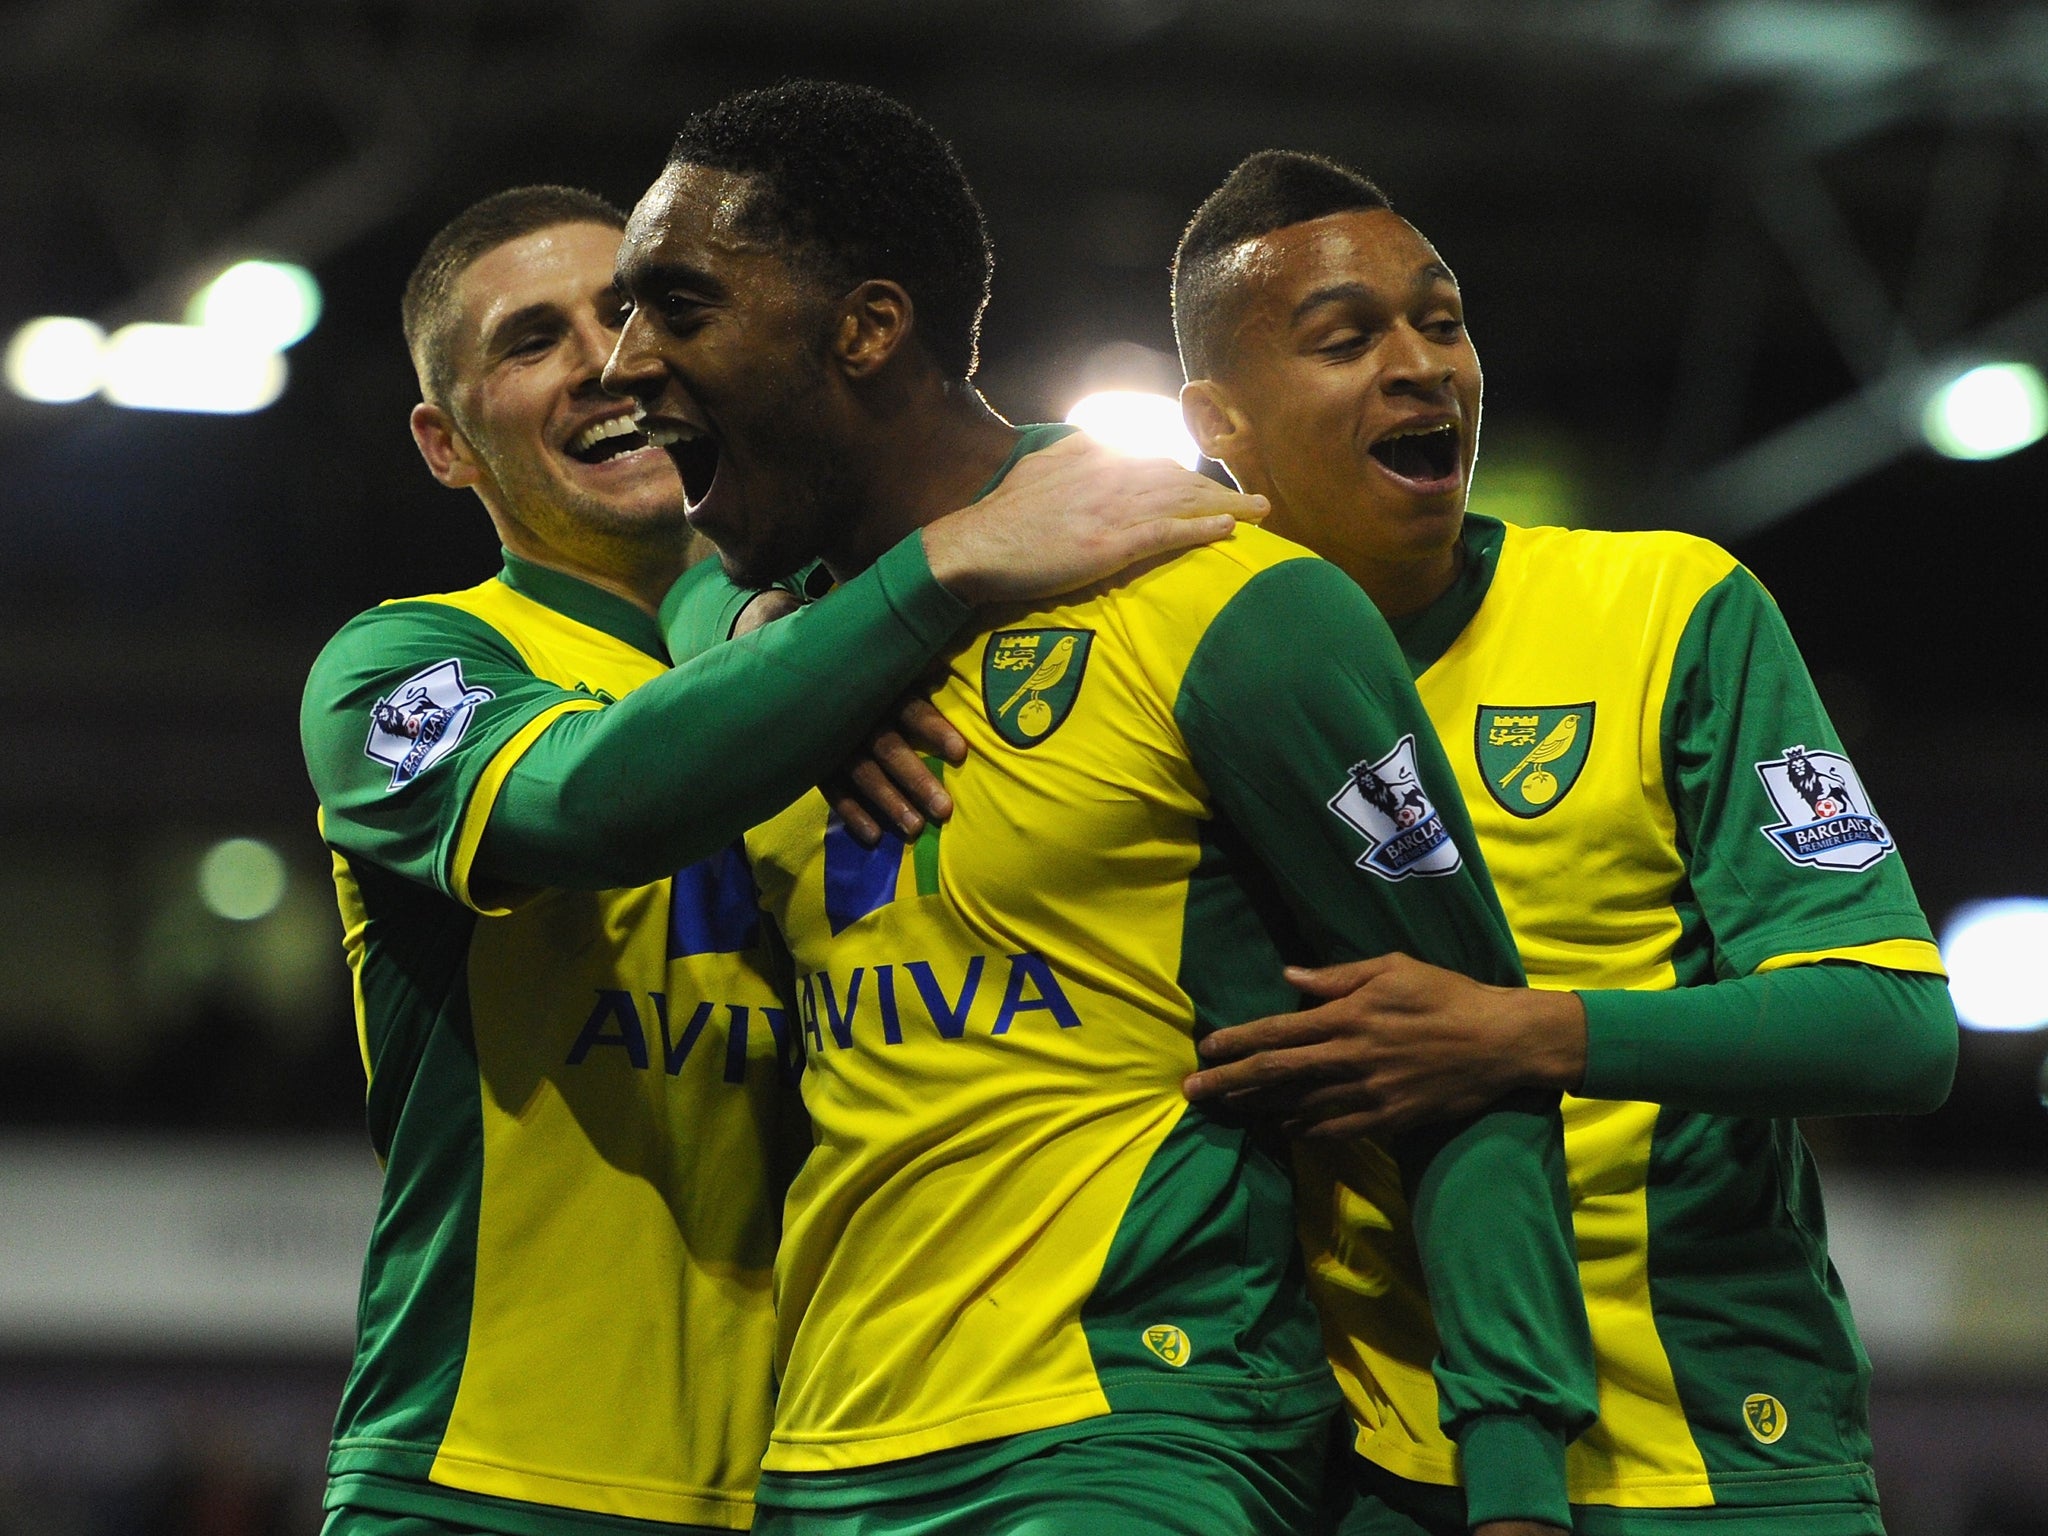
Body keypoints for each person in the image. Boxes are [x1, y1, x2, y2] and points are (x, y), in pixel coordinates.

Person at [606, 81, 1597, 1536]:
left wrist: (1517, 1492)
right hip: (826, 1457)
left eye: (677, 306)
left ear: (868, 328)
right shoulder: (783, 659)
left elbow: (1469, 1054)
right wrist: (778, 639)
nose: (627, 360)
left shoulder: (1228, 602)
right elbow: (664, 663)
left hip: (1136, 1435)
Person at [300, 183, 1261, 1536]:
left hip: (824, 1480)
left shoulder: (830, 636)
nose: (601, 361)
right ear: (444, 445)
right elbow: (589, 805)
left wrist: (791, 621)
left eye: (626, 313)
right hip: (490, 1480)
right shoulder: (404, 666)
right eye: (529, 343)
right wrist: (934, 570)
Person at [1170, 150, 1959, 1536]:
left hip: (1707, 1446)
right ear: (1215, 422)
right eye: (1349, 339)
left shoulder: (1665, 608)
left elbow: (1894, 1029)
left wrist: (1525, 1035)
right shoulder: (1157, 662)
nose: (1422, 364)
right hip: (1345, 1467)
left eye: (1443, 319)